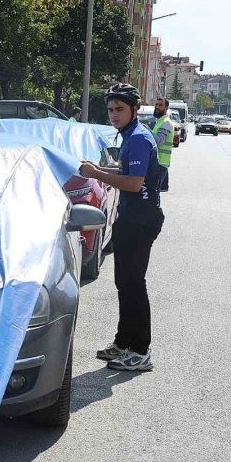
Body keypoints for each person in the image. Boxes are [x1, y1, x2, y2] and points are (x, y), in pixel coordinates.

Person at [79, 84, 164, 372]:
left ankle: (140, 352)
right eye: (111, 110)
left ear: (134, 110)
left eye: (120, 109)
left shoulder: (138, 138)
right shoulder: (130, 134)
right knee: (124, 283)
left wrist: (98, 173)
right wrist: (99, 170)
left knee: (133, 285)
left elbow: (134, 183)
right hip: (130, 219)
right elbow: (126, 172)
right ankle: (124, 342)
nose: (114, 114)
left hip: (141, 221)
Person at [152, 96, 174, 191]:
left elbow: (159, 142)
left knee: (153, 192)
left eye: (160, 105)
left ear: (166, 108)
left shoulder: (166, 123)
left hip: (160, 163)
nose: (157, 107)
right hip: (158, 163)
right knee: (154, 192)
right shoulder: (160, 121)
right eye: (156, 104)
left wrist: (148, 132)